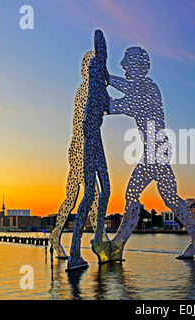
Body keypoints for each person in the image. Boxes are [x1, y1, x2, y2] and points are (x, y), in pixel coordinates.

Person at [108, 47, 195, 259]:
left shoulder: (147, 89)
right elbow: (122, 98)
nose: (123, 66)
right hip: (157, 150)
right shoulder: (142, 89)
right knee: (170, 198)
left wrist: (104, 78)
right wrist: (105, 80)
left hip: (155, 151)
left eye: (127, 62)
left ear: (137, 66)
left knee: (133, 195)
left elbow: (116, 105)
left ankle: (117, 246)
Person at [48, 51, 100, 260]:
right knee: (91, 196)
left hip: (81, 149)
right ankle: (99, 240)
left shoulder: (87, 90)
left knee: (75, 197)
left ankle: (56, 236)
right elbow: (90, 120)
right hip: (81, 150)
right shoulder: (86, 90)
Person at [67, 29, 111, 271]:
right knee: (91, 194)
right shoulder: (94, 90)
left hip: (97, 141)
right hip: (90, 143)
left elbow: (111, 106)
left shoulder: (99, 89)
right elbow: (86, 121)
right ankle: (75, 251)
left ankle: (96, 239)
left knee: (104, 191)